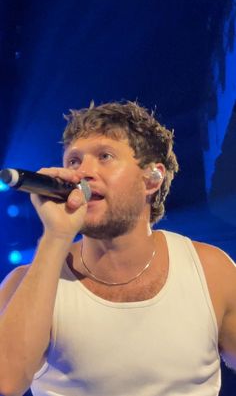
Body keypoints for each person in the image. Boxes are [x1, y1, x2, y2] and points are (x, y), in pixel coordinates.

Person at [0, 101, 235, 396]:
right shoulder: (26, 284)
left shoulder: (211, 271)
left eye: (105, 156)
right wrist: (56, 236)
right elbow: (7, 382)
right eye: (73, 161)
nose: (83, 171)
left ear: (152, 178)